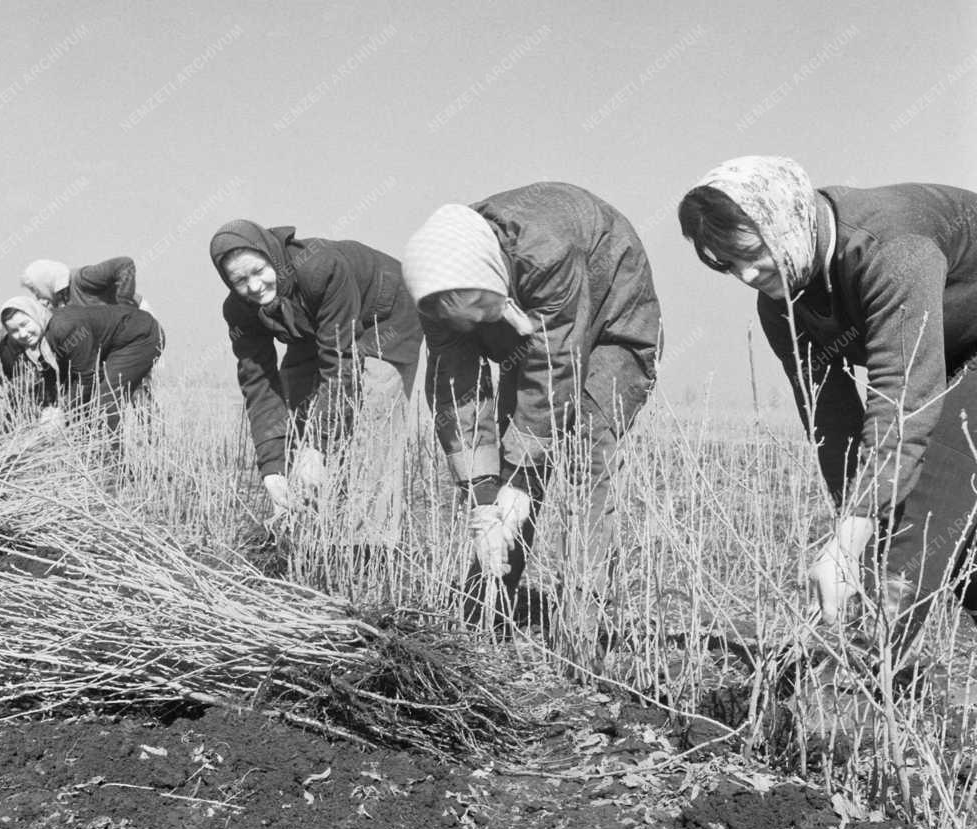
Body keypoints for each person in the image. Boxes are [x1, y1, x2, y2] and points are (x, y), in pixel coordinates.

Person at [678, 155, 977, 658]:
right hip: (942, 352)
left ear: (787, 220)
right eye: (729, 265)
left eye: (752, 253)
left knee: (923, 514)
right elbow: (830, 420)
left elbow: (901, 399)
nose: (748, 274)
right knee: (933, 537)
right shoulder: (780, 302)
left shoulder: (893, 249)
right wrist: (853, 529)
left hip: (956, 357)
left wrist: (851, 541)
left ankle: (866, 684)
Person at [402, 182, 662, 641]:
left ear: (494, 278)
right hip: (526, 328)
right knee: (506, 455)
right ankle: (489, 596)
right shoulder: (435, 289)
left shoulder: (547, 253)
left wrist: (522, 479)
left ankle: (584, 609)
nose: (476, 326)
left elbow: (555, 363)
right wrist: (483, 501)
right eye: (466, 322)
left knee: (588, 446)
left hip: (610, 322)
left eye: (483, 310)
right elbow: (456, 390)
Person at [209, 219, 423, 533]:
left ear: (272, 257)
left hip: (383, 313)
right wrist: (272, 467)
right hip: (316, 327)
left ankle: (364, 546)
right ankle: (307, 527)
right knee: (297, 407)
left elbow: (341, 363)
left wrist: (318, 447)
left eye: (258, 271)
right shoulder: (240, 310)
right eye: (240, 280)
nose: (254, 287)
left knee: (371, 419)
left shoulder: (321, 268)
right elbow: (259, 386)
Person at [0, 295, 164, 434]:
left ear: (35, 314)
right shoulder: (42, 339)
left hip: (140, 335)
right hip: (112, 345)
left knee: (106, 399)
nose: (22, 334)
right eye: (14, 331)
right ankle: (87, 447)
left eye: (24, 324)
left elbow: (87, 376)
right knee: (83, 399)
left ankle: (111, 463)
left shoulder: (64, 327)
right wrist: (51, 406)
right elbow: (53, 374)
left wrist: (62, 411)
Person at [20, 256, 154, 312]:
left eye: (36, 291)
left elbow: (125, 264)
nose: (37, 297)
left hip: (138, 313)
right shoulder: (60, 300)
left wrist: (124, 307)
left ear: (45, 283)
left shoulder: (83, 278)